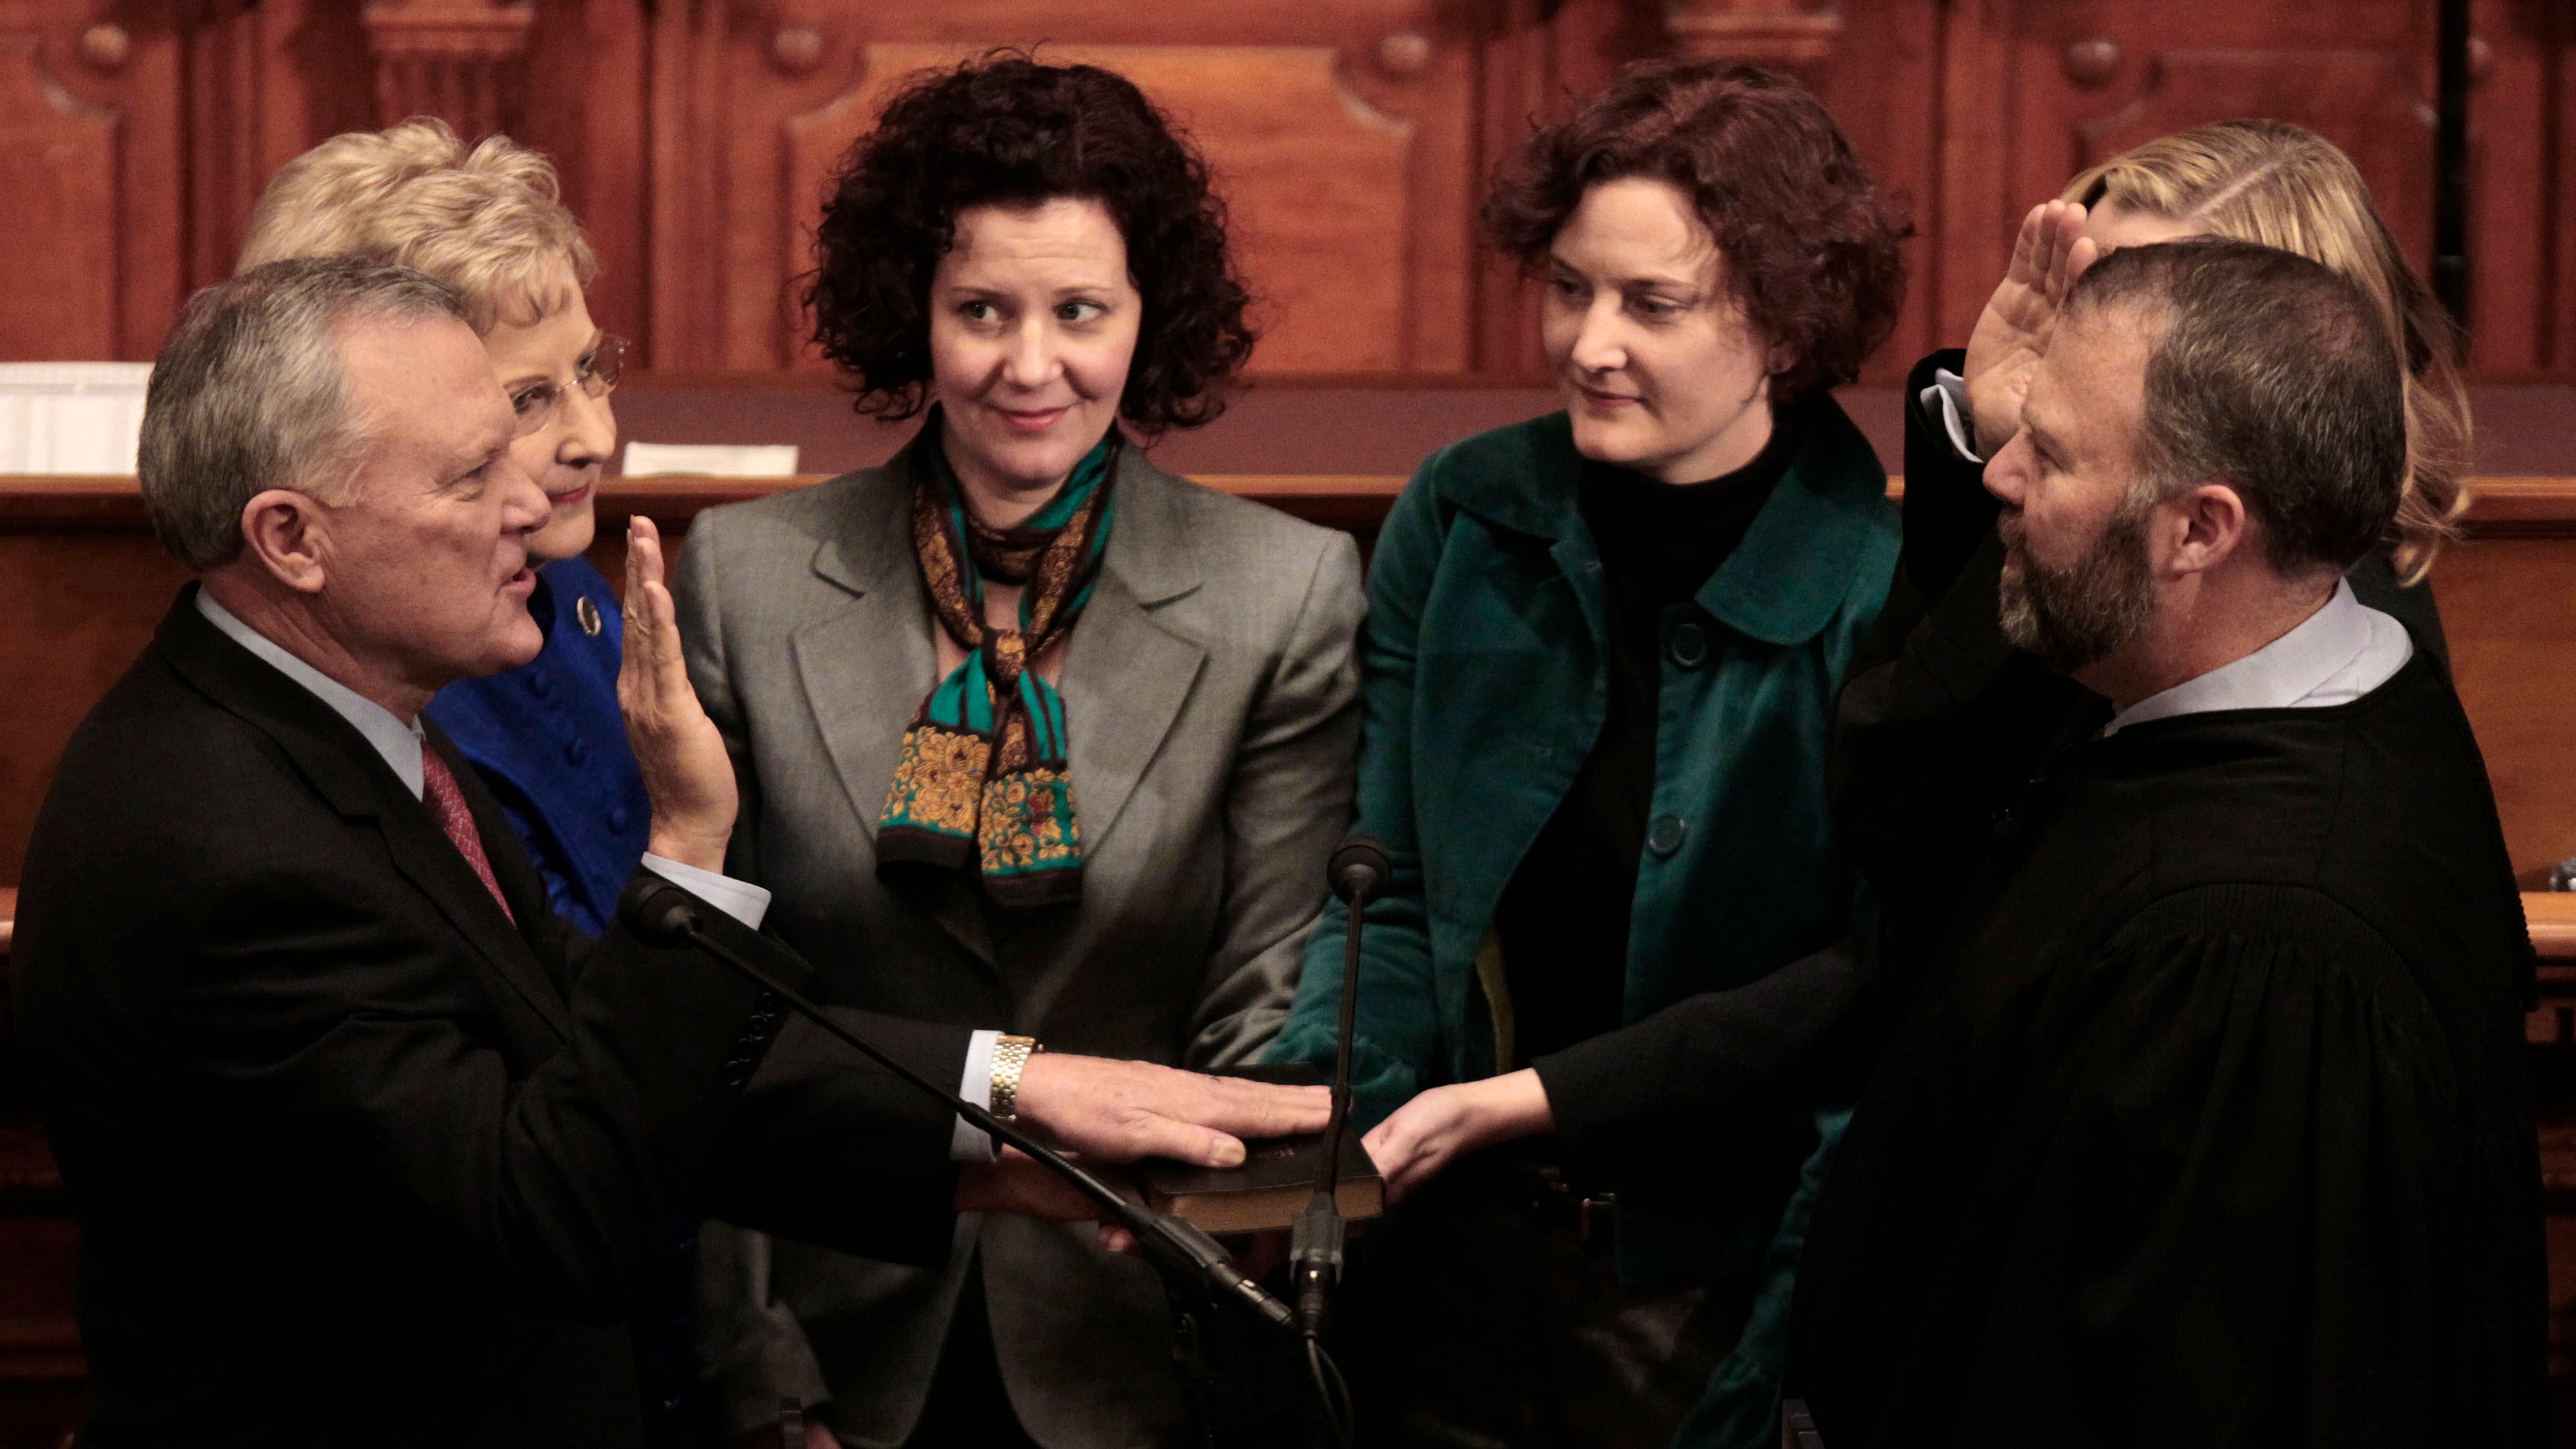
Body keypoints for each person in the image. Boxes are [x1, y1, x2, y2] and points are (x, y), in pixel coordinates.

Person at [10, 258, 1328, 1449]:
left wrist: (1007, 1107)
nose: (538, 507)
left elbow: (597, 1068)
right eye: (474, 478)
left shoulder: (348, 725)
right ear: (293, 539)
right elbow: (555, 1208)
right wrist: (688, 847)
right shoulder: (222, 845)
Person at [680, 56, 1364, 1449]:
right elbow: (703, 1017)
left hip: (1144, 1339)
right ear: (913, 315)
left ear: (1146, 317)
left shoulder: (1282, 597)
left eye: (1079, 313)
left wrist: (1194, 1233)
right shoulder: (745, 578)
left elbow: (1266, 1008)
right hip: (829, 1344)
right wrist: (760, 1378)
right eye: (980, 310)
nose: (1029, 365)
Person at [1787, 239, 2544, 1446]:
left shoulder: (2255, 950)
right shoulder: (2287, 688)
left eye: (2053, 451)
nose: (2004, 474)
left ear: (2200, 530)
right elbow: (1917, 833)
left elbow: (2141, 1386)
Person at [1265, 60, 1909, 1449]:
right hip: (1447, 1263)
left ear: (1788, 328)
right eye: (1569, 286)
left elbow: (1862, 996)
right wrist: (1315, 1132)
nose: (1587, 343)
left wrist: (1531, 1107)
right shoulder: (1467, 512)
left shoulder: (1881, 586)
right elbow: (1394, 881)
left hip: (1708, 1296)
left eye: (1652, 304)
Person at [239, 119, 644, 938]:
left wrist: (983, 1067)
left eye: (591, 369)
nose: (597, 437)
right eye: (525, 400)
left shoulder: (569, 587)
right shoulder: (383, 681)